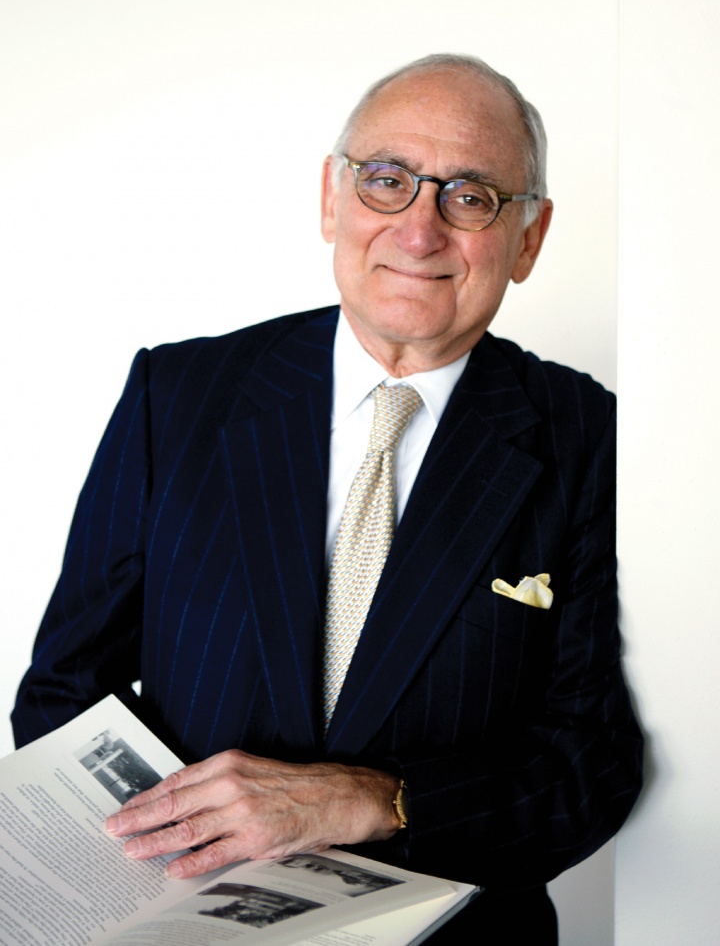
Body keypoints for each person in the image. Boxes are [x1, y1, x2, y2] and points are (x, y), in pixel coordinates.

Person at [12, 53, 643, 942]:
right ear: (331, 200)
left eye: (470, 197)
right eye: (388, 181)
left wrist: (378, 799)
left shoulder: (595, 436)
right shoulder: (179, 394)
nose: (419, 231)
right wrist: (178, 864)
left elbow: (590, 767)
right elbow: (64, 697)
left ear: (529, 238)